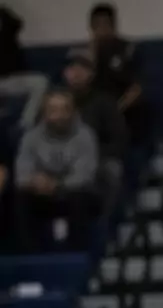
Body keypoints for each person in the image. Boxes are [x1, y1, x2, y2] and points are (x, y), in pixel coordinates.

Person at [12, 88, 101, 252]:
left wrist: (57, 184)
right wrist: (35, 182)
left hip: (73, 193)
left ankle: (76, 257)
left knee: (81, 198)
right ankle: (29, 257)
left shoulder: (85, 135)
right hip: (41, 194)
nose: (58, 115)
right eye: (53, 109)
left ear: (72, 111)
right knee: (20, 199)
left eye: (64, 109)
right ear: (44, 112)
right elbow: (21, 175)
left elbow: (84, 175)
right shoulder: (31, 137)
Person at [60, 47, 128, 195]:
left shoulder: (104, 102)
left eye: (83, 67)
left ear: (92, 74)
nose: (77, 72)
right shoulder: (54, 102)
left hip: (97, 160)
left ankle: (105, 217)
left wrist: (91, 157)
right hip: (60, 160)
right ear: (64, 72)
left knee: (112, 169)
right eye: (72, 67)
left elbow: (118, 140)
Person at [87, 2, 148, 145]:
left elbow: (137, 89)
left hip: (122, 111)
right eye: (96, 25)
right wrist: (91, 57)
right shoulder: (86, 54)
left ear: (113, 25)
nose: (101, 30)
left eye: (105, 25)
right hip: (94, 112)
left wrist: (116, 110)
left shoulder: (128, 50)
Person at [0, 5, 48, 135]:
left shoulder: (8, 34)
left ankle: (25, 124)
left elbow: (17, 23)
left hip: (12, 79)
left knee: (40, 82)